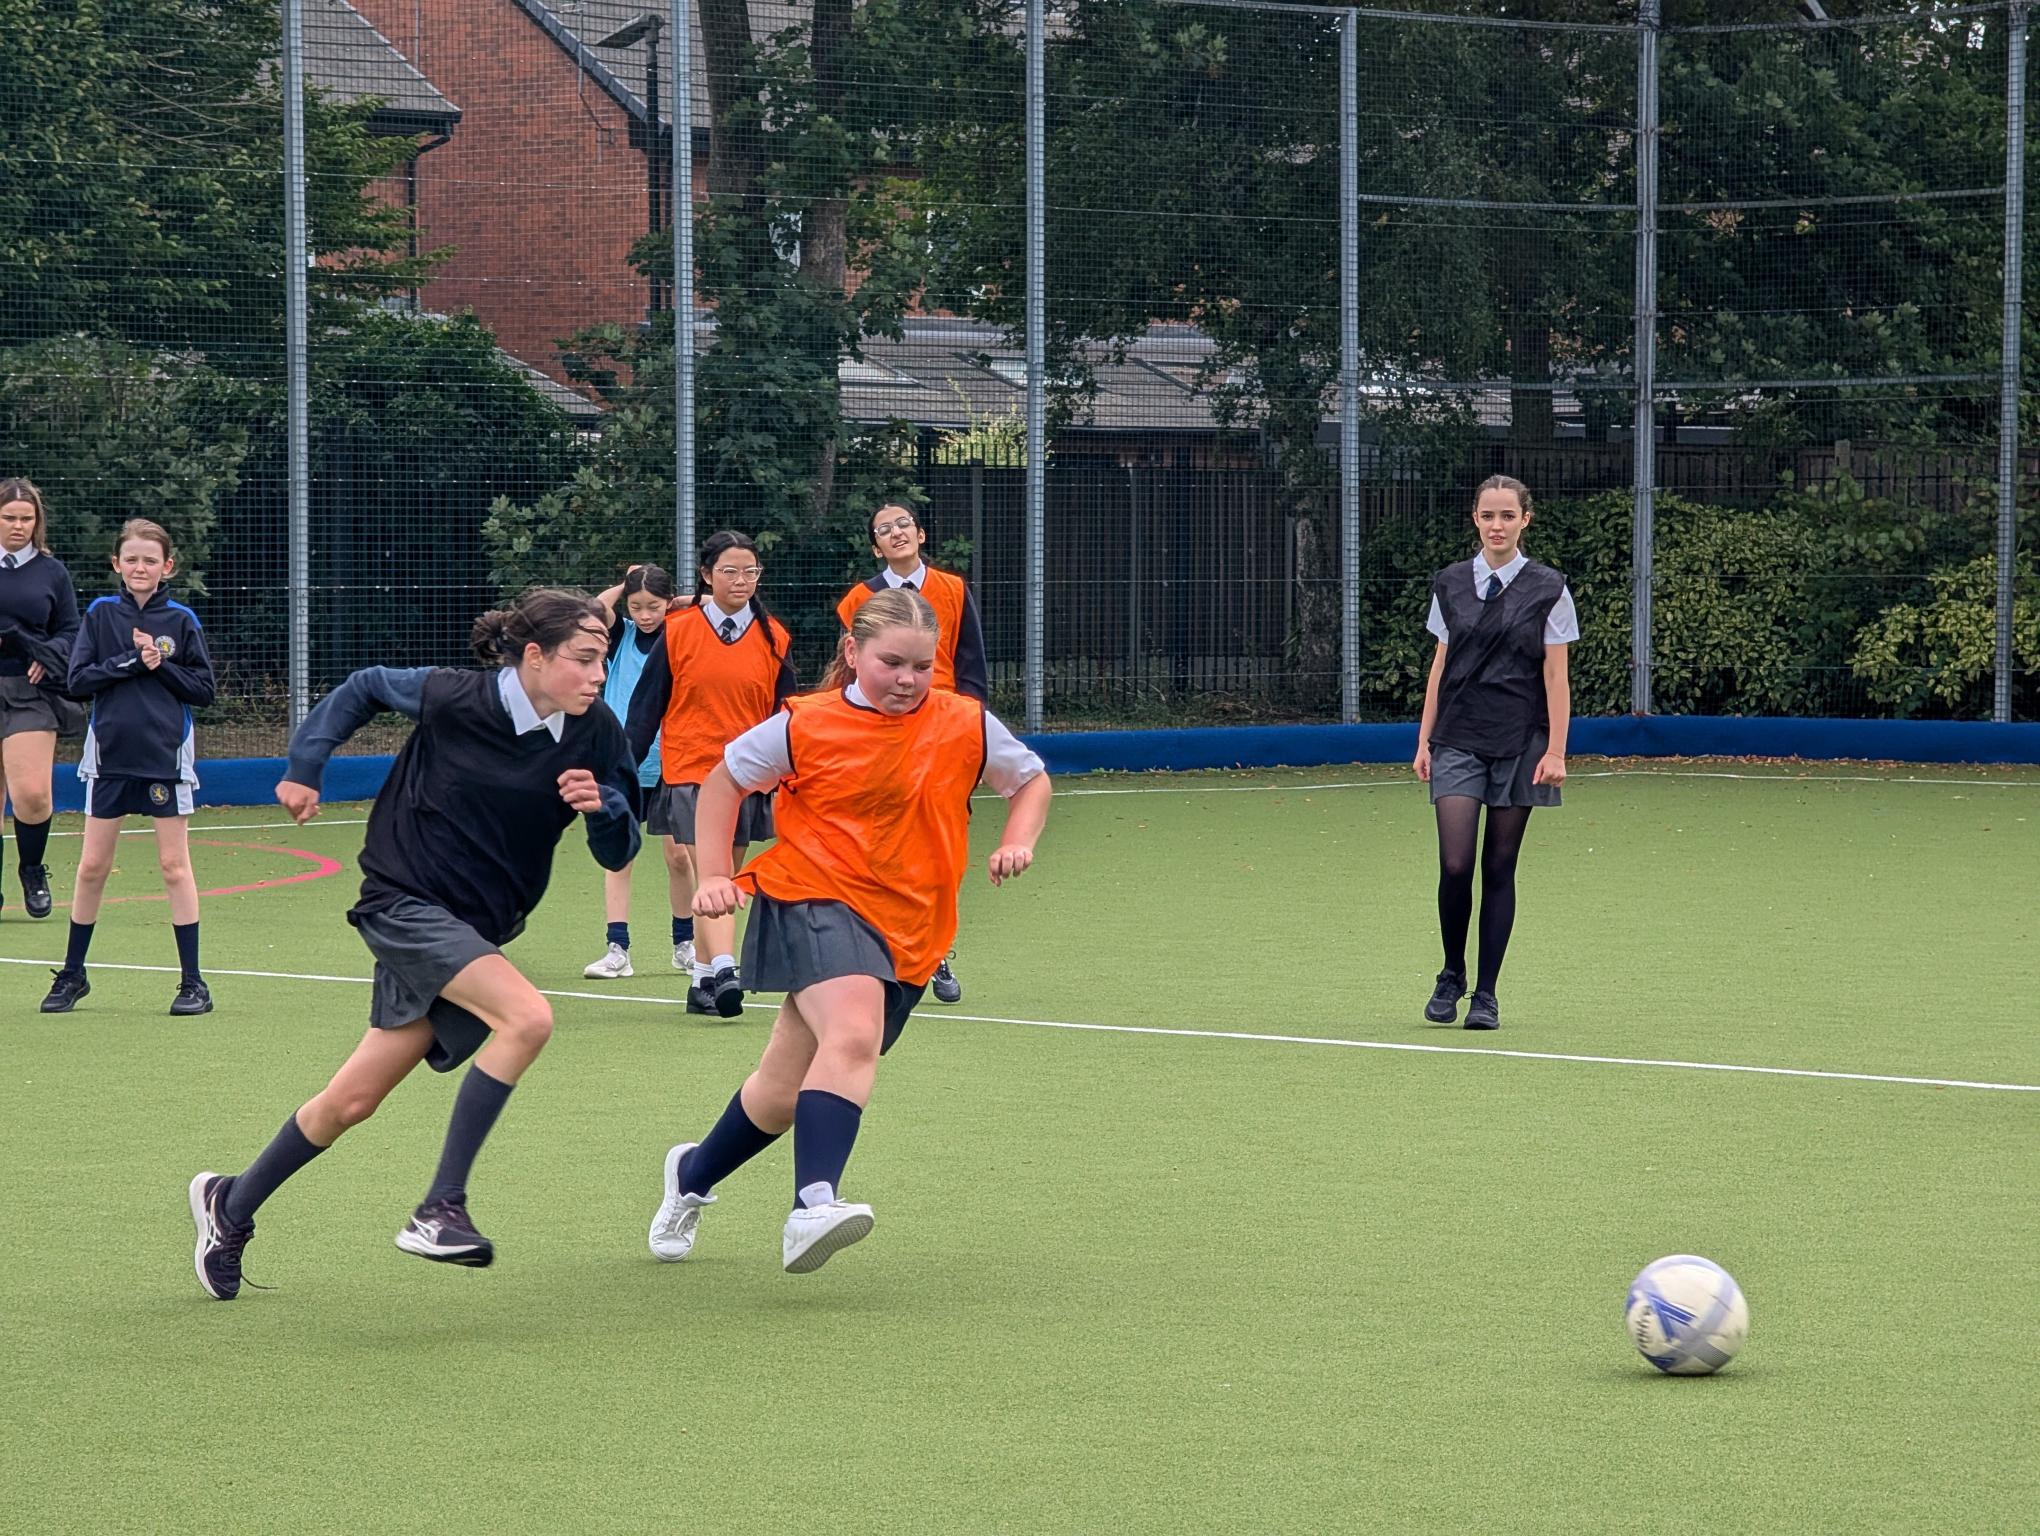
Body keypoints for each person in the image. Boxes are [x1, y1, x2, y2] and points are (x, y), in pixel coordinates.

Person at [186, 590, 640, 1299]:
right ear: (534, 656)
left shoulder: (597, 732)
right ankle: (441, 1207)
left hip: (475, 930)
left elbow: (620, 846)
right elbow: (364, 686)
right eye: (584, 659)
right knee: (528, 1018)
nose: (597, 675)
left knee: (352, 1100)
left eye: (602, 660)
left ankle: (230, 1203)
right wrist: (306, 765)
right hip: (402, 902)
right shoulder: (455, 697)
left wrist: (604, 807)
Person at [647, 587, 1050, 1274]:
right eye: (892, 663)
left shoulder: (966, 723)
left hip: (913, 922)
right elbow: (722, 783)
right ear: (852, 652)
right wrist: (714, 874)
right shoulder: (804, 724)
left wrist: (1019, 839)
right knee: (855, 1032)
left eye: (921, 666)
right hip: (813, 895)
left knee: (781, 1092)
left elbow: (1030, 781)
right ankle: (813, 1205)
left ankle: (690, 1176)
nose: (907, 680)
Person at [1412, 475, 1575, 1032]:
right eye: (1488, 515)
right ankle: (1451, 974)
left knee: (1499, 867)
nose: (1497, 526)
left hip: (1522, 742)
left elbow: (1556, 677)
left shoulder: (1550, 588)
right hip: (1457, 737)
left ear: (1525, 519)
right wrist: (1424, 740)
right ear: (1475, 519)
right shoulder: (1450, 583)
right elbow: (1440, 665)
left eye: (1508, 515)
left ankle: (1486, 994)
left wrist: (1556, 750)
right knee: (1456, 863)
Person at [41, 519, 216, 1016]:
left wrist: (162, 664)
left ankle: (193, 984)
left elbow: (203, 690)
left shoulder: (181, 620)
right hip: (109, 759)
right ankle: (73, 974)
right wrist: (132, 662)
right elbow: (77, 681)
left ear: (168, 566)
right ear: (117, 563)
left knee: (174, 866)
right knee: (92, 866)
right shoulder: (100, 614)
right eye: (132, 559)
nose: (141, 567)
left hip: (165, 757)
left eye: (150, 560)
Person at [625, 531, 794, 1018]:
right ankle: (724, 967)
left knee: (725, 880)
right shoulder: (678, 630)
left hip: (747, 778)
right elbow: (645, 708)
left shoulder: (775, 637)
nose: (741, 580)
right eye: (729, 571)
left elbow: (786, 715)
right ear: (706, 576)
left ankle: (701, 981)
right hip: (690, 773)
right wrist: (620, 773)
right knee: (713, 873)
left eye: (750, 572)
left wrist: (792, 774)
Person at [834, 501, 989, 1004]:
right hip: (882, 734)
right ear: (875, 547)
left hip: (940, 732)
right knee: (882, 837)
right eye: (884, 529)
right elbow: (849, 672)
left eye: (903, 524)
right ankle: (880, 941)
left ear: (920, 534)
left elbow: (972, 668)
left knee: (940, 841)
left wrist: (972, 736)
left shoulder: (953, 590)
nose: (896, 532)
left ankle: (934, 947)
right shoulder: (859, 600)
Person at [582, 563, 699, 981]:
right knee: (620, 858)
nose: (646, 615)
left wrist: (683, 601)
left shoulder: (682, 634)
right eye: (637, 606)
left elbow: (713, 606)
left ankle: (685, 945)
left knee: (679, 857)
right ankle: (618, 949)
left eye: (654, 606)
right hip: (624, 764)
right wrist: (626, 582)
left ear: (669, 603)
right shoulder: (621, 637)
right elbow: (594, 608)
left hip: (672, 762)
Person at [0, 478, 81, 921]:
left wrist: (49, 656)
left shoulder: (53, 572)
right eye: (9, 517)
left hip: (29, 693)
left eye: (26, 518)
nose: (18, 526)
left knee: (32, 795)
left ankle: (32, 869)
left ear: (37, 522)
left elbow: (70, 630)